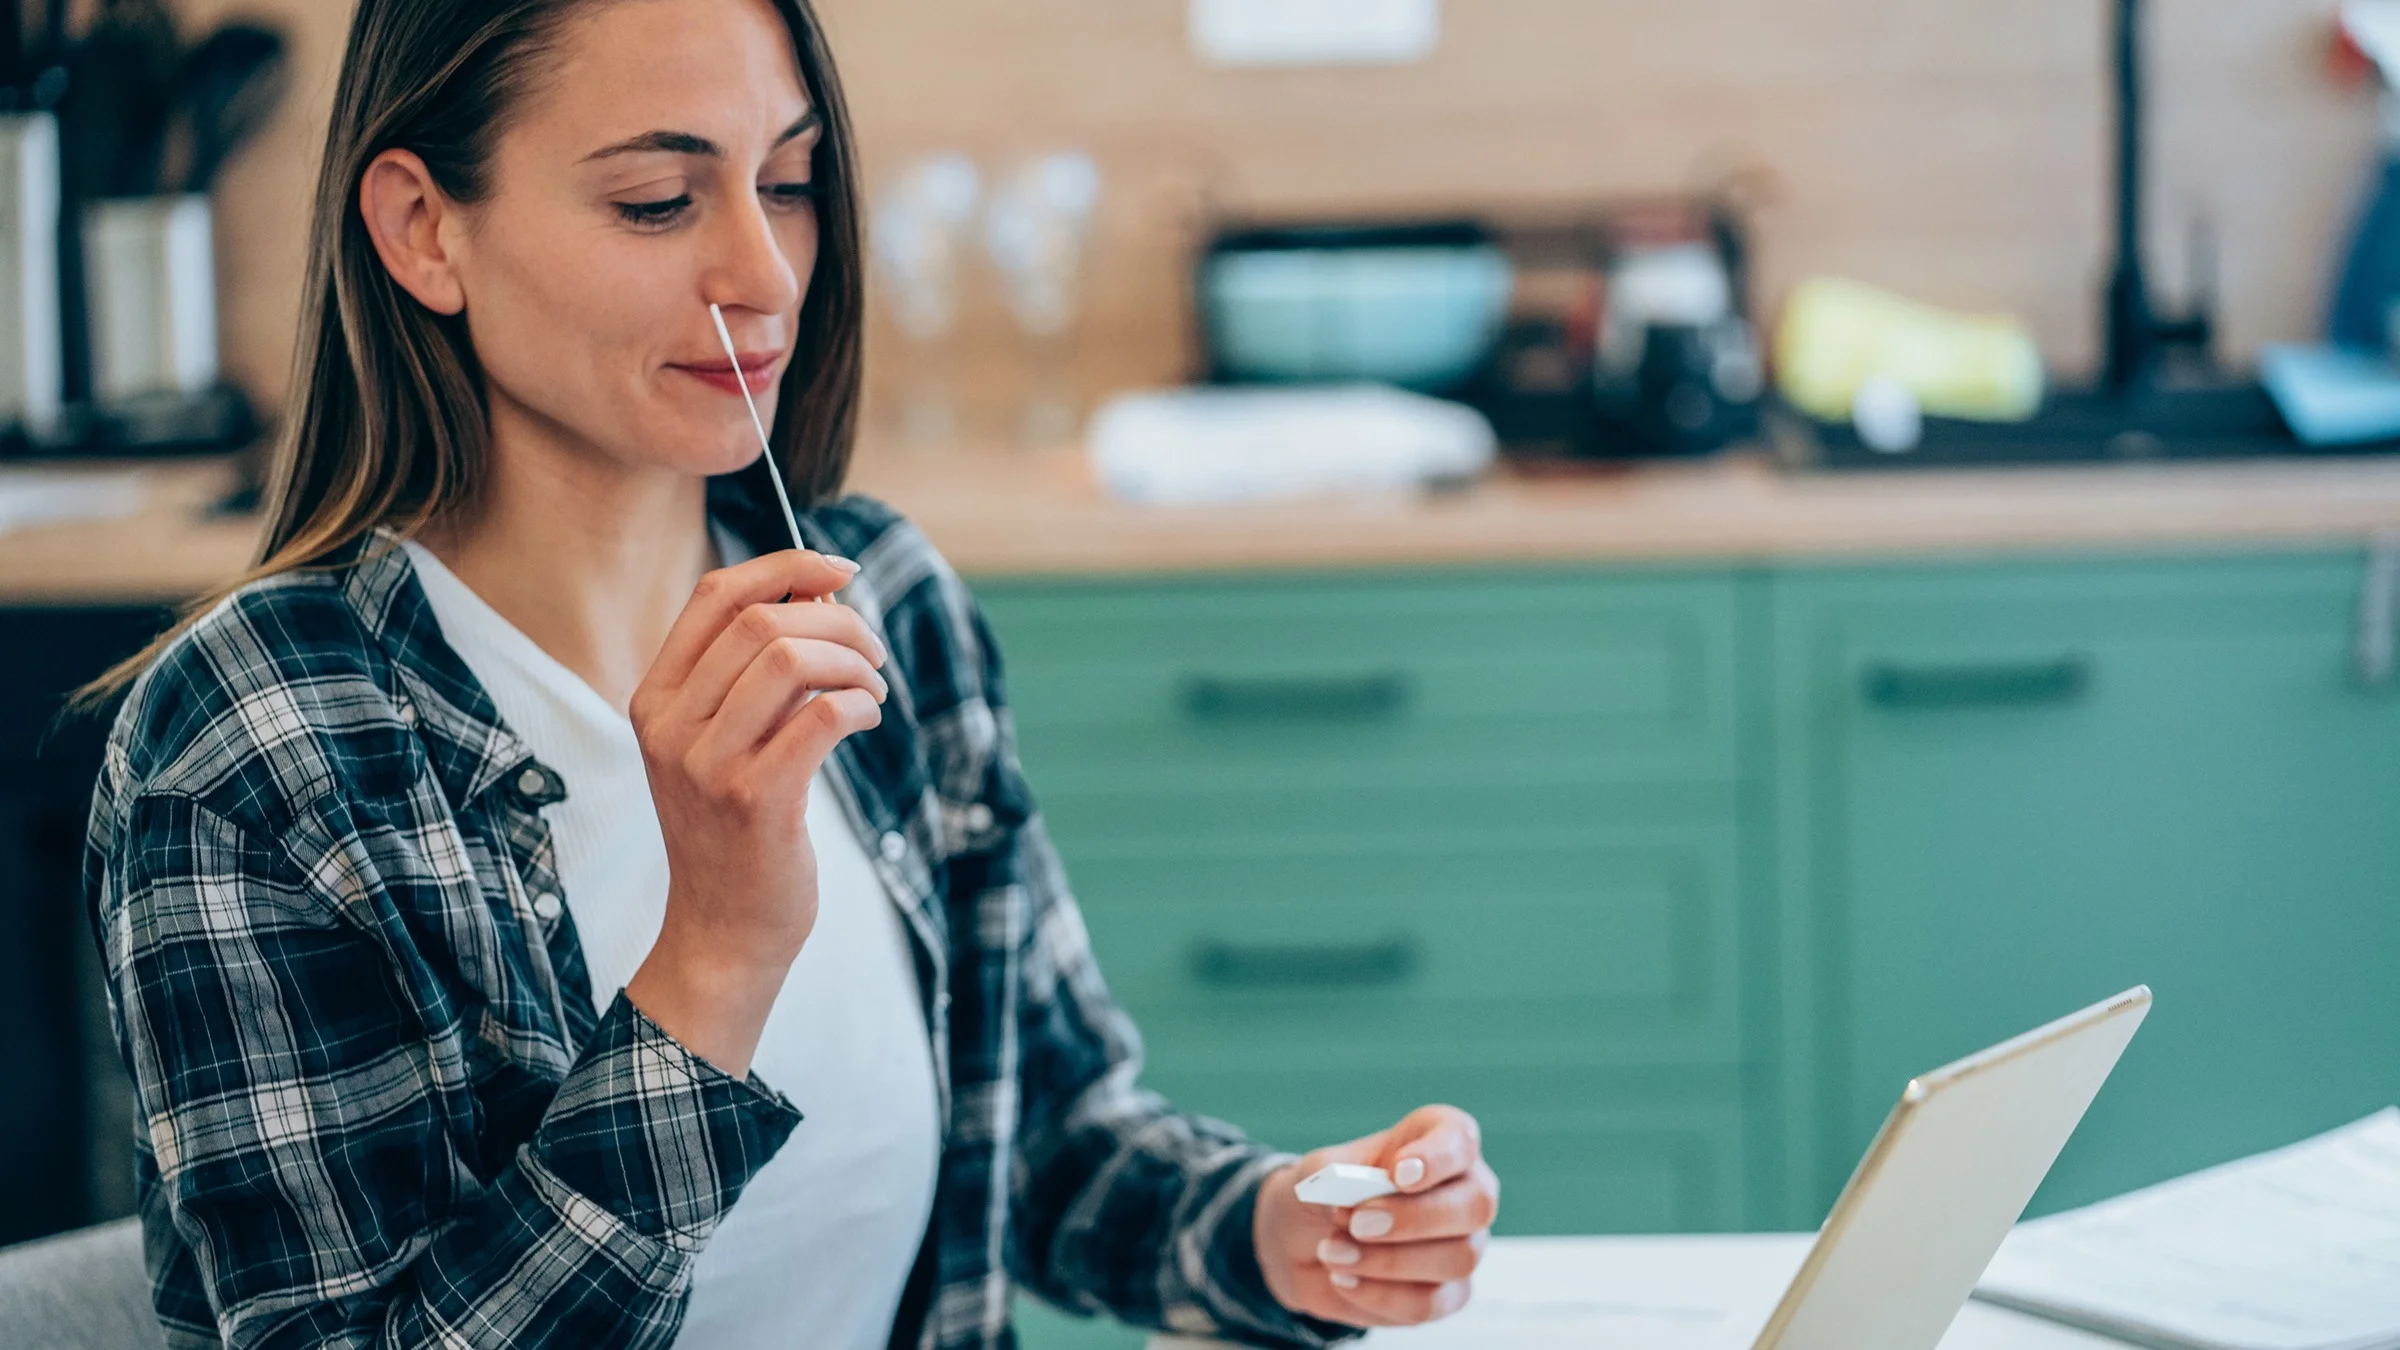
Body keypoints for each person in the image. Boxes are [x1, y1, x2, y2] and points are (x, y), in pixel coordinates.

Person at [81, 0, 1500, 1345]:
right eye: (656, 200)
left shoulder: (879, 594)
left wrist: (1275, 1227)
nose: (764, 277)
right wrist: (716, 957)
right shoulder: (256, 742)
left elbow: (1046, 1128)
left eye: (793, 182)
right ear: (422, 229)